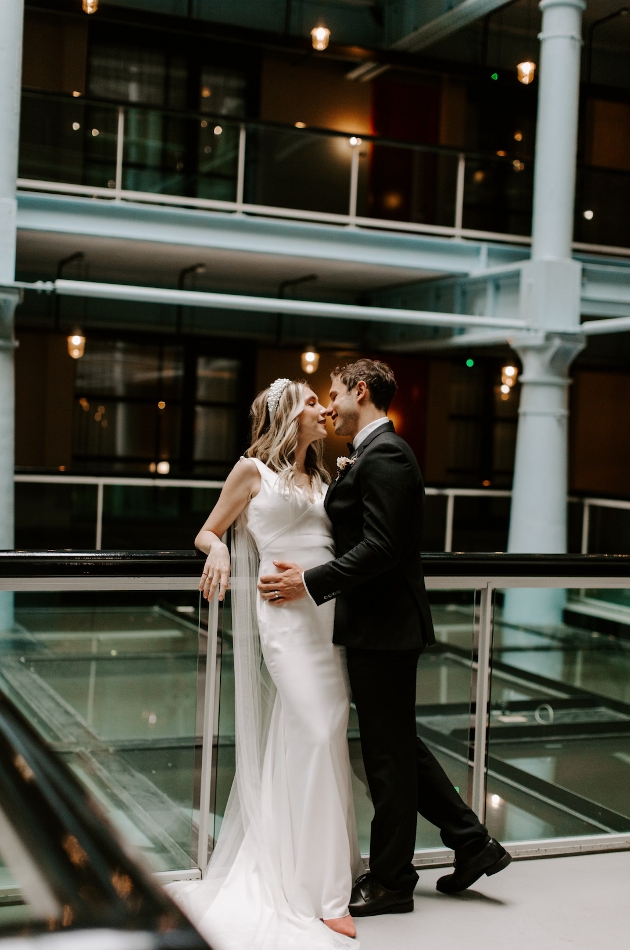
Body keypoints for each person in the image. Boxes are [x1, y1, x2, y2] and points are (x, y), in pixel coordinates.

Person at [259, 358, 512, 917]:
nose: (328, 404)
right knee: (398, 749)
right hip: (375, 627)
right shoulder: (371, 454)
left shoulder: (389, 454)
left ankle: (393, 882)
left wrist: (308, 581)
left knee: (387, 761)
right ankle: (472, 843)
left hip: (385, 630)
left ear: (362, 392)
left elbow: (382, 548)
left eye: (334, 393)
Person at [167, 378, 363, 950]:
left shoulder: (326, 478)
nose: (321, 409)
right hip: (283, 622)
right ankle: (324, 896)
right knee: (314, 728)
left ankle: (315, 867)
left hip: (328, 621)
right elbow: (206, 529)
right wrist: (222, 549)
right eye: (310, 402)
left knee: (319, 739)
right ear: (288, 415)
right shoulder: (253, 472)